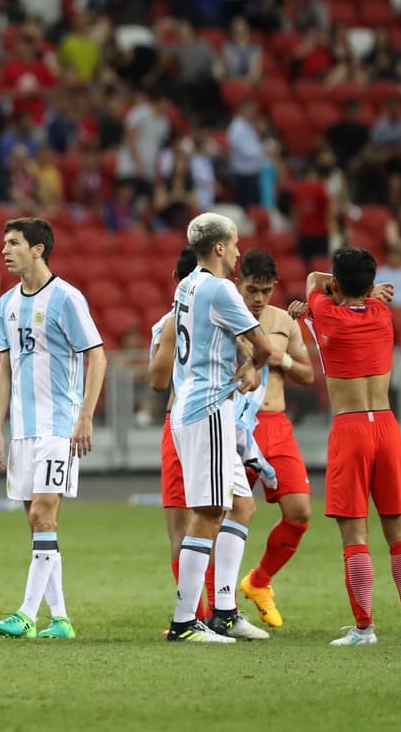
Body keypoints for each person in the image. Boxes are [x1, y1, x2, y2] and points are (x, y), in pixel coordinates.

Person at [292, 249, 401, 646]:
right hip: (387, 427)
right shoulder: (382, 315)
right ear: (371, 287)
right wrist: (372, 295)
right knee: (399, 531)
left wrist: (337, 289)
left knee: (355, 535)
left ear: (337, 285)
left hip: (350, 429)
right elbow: (347, 288)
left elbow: (314, 281)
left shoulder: (324, 312)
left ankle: (365, 628)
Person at [0, 218, 107, 641]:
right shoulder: (7, 303)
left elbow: (98, 356)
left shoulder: (67, 298)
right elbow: (5, 368)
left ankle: (24, 614)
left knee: (42, 513)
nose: (5, 250)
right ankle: (60, 619)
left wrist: (86, 416)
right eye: (4, 243)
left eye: (14, 243)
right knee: (39, 524)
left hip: (59, 426)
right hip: (23, 429)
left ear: (38, 249)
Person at [153, 212, 272, 643]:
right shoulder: (221, 289)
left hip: (190, 406)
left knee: (241, 507)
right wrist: (255, 367)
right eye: (236, 244)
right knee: (208, 514)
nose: (240, 251)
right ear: (220, 247)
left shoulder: (187, 285)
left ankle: (224, 612)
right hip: (208, 410)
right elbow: (265, 345)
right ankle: (185, 622)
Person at [236, 251, 317, 629]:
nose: (258, 298)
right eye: (252, 289)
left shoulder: (284, 320)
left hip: (275, 424)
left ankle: (259, 582)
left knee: (299, 512)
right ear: (239, 282)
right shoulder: (224, 312)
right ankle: (210, 610)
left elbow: (307, 376)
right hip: (236, 424)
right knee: (222, 516)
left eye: (265, 291)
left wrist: (280, 359)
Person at [149, 247, 212, 623]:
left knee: (181, 526)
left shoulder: (168, 323)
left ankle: (197, 615)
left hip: (179, 420)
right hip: (219, 420)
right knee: (219, 518)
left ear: (177, 281)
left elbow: (158, 381)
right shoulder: (226, 313)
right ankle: (219, 610)